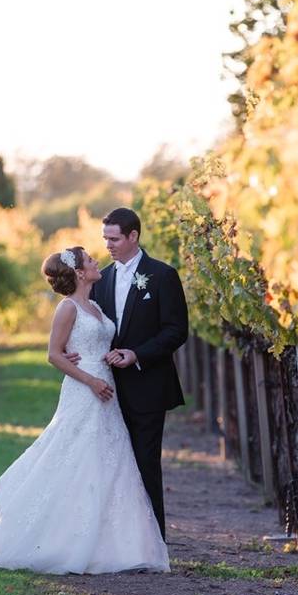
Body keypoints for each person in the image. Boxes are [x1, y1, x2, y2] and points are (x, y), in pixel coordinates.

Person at [0, 246, 170, 574]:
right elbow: (54, 354)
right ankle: (67, 540)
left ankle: (114, 545)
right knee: (77, 456)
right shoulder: (67, 308)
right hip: (85, 389)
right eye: (90, 260)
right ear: (79, 272)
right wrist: (90, 380)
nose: (96, 262)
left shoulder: (93, 305)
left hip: (106, 387)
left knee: (110, 459)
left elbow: (93, 342)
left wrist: (110, 357)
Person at [74, 207, 189, 541]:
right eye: (105, 238)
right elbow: (87, 325)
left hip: (148, 385)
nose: (107, 245)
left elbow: (176, 331)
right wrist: (71, 350)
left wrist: (137, 354)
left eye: (114, 238)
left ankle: (152, 544)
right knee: (111, 466)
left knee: (145, 464)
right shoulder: (101, 279)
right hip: (106, 389)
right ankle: (115, 542)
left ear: (133, 236)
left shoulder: (163, 275)